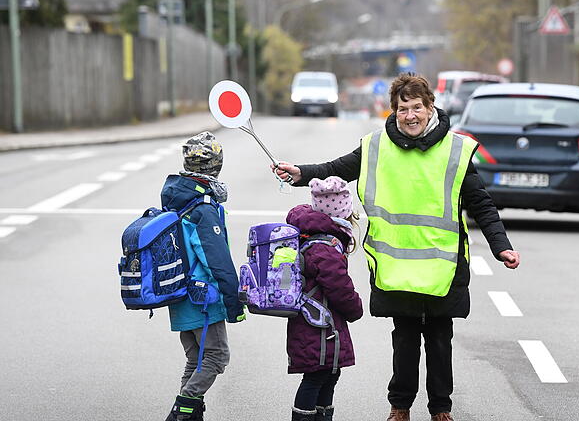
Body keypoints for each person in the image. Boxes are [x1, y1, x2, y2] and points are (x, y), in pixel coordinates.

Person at [274, 73, 520, 421]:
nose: (411, 115)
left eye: (417, 107)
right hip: (396, 265)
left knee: (439, 339)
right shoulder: (376, 147)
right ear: (394, 111)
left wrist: (501, 246)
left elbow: (481, 204)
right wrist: (299, 172)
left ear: (430, 106)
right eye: (403, 108)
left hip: (443, 265)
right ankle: (400, 406)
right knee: (404, 339)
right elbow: (337, 169)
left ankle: (440, 408)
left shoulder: (455, 150)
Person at [161, 131, 246, 421]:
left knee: (195, 358)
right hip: (203, 298)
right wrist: (235, 304)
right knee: (215, 357)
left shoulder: (177, 197)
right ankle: (180, 413)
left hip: (179, 293)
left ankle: (190, 416)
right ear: (217, 165)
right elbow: (217, 261)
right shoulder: (203, 209)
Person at [285, 176, 364, 421]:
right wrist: (355, 307)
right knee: (317, 375)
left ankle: (321, 416)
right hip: (318, 325)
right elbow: (338, 285)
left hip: (320, 321)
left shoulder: (315, 236)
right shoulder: (324, 246)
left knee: (330, 373)